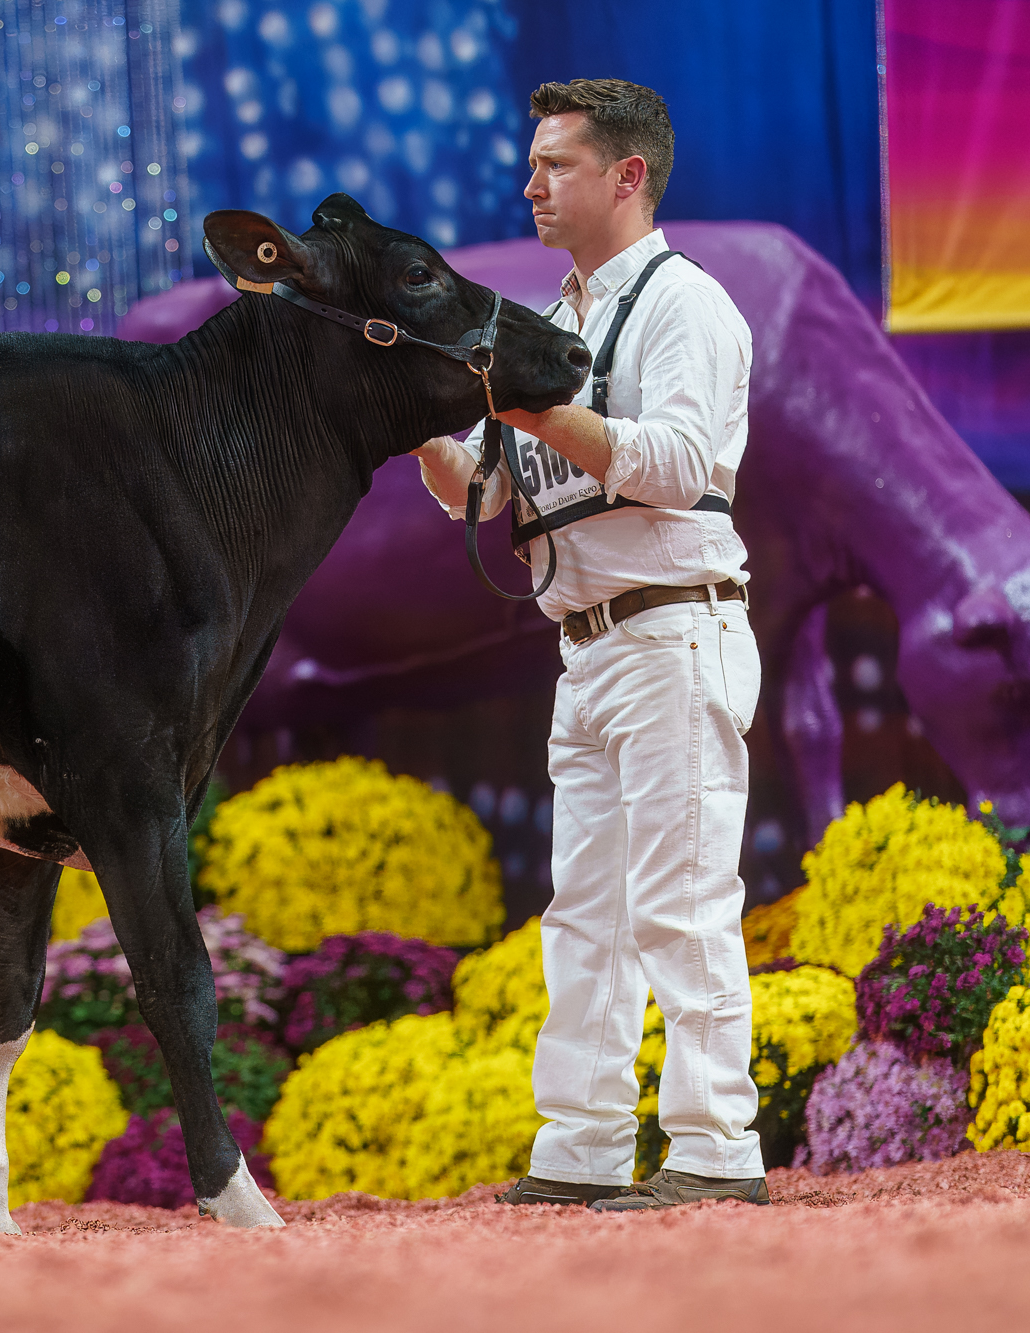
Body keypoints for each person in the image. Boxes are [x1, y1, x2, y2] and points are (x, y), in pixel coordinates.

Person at [412, 78, 768, 1210]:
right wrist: (412, 417)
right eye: (532, 164)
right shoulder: (551, 326)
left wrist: (526, 409)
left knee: (680, 902)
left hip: (674, 628)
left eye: (554, 164)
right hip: (589, 646)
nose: (530, 183)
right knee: (583, 916)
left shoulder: (683, 302)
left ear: (627, 175)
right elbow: (483, 495)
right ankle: (580, 1148)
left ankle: (716, 1150)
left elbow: (674, 463)